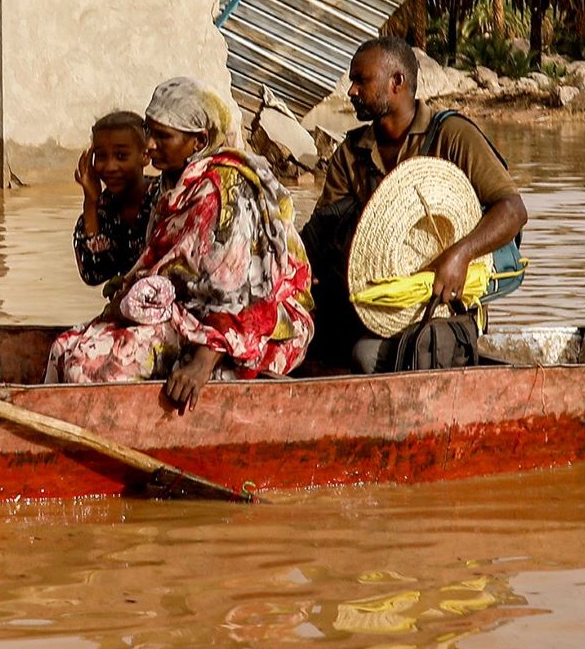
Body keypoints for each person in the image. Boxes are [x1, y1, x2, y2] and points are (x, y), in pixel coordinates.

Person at [44, 77, 314, 409]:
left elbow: (239, 299)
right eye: (149, 132)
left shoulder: (223, 191)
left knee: (84, 367)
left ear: (198, 140)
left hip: (247, 331)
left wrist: (200, 364)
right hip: (186, 316)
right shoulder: (170, 189)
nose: (151, 146)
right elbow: (101, 270)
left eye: (163, 136)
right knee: (63, 348)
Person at [302, 36, 527, 371]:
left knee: (366, 356)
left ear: (397, 82)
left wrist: (460, 254)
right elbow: (321, 234)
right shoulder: (352, 152)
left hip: (440, 307)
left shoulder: (452, 135)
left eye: (361, 81)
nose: (351, 91)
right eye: (352, 81)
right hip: (369, 300)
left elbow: (513, 210)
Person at [73, 109, 156, 292]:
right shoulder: (103, 208)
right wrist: (90, 203)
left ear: (145, 156)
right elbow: (93, 274)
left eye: (121, 156)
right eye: (101, 156)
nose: (110, 167)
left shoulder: (164, 199)